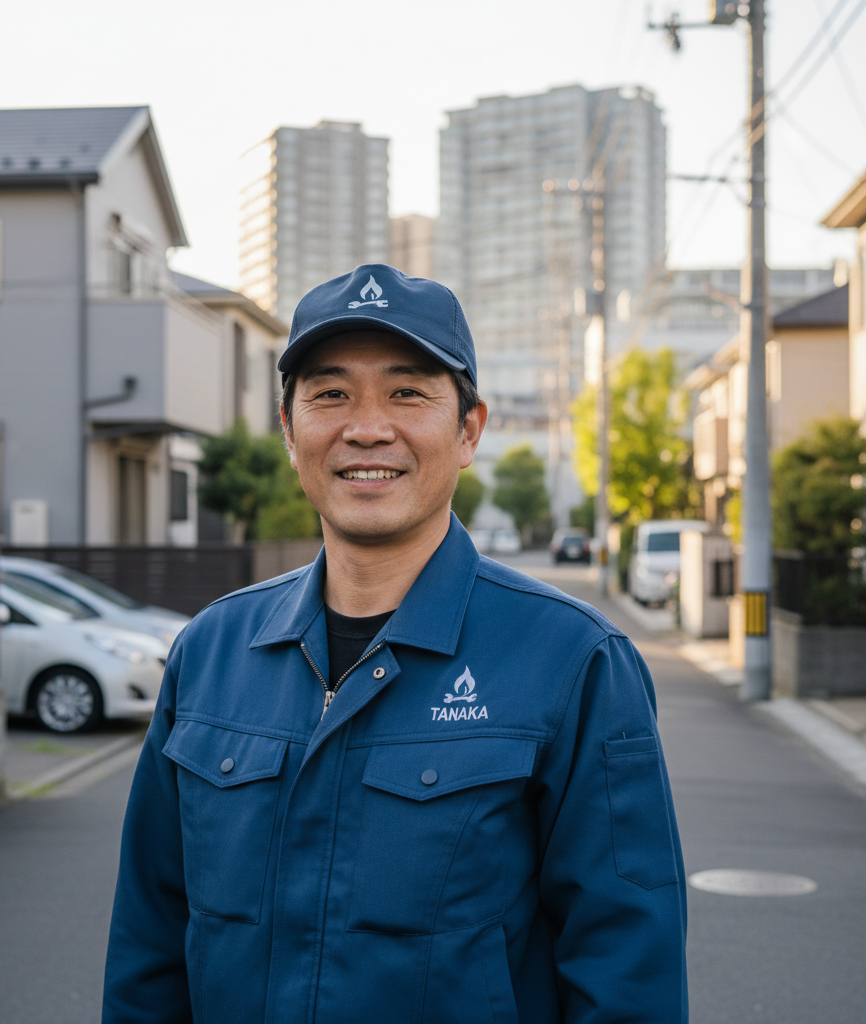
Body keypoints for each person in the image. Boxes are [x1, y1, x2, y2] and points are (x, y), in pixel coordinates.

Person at [103, 265, 687, 1024]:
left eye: (407, 392)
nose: (367, 426)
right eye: (330, 393)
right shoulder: (211, 652)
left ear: (469, 429)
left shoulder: (574, 662)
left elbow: (628, 972)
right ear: (289, 429)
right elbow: (149, 945)